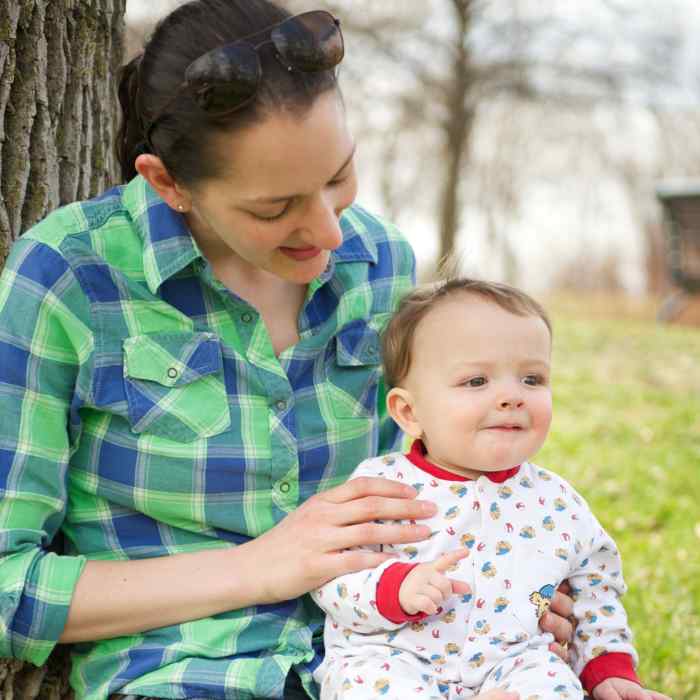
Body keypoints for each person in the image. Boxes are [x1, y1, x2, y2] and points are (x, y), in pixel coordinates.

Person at [0, 2, 574, 699]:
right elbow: (7, 587)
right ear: (168, 184)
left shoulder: (379, 259)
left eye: (338, 178)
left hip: (398, 661)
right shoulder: (67, 277)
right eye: (276, 210)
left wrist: (518, 583)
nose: (331, 232)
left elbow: (424, 486)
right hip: (189, 675)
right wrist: (264, 566)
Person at [312, 279, 670, 700]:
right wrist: (394, 587)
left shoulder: (557, 501)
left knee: (551, 684)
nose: (511, 396)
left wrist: (607, 668)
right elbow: (332, 573)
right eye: (477, 381)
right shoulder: (382, 487)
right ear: (410, 412)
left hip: (512, 663)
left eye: (532, 379)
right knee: (368, 687)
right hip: (394, 658)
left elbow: (597, 591)